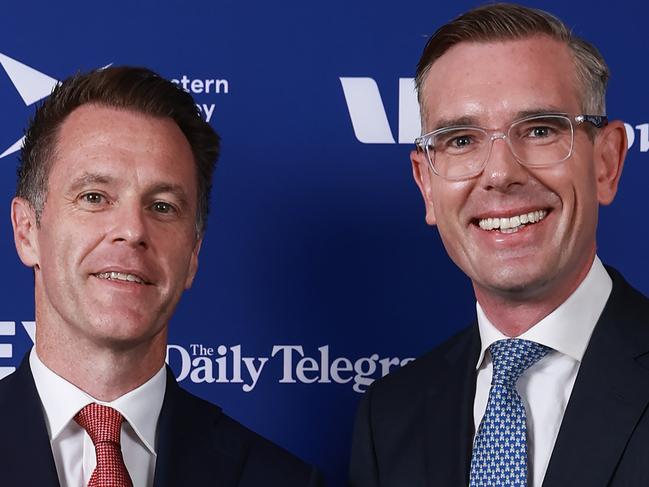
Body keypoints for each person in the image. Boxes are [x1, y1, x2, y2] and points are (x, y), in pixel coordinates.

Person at [349, 3, 649, 487]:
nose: (500, 174)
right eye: (461, 140)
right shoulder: (390, 417)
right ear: (426, 184)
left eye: (540, 130)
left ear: (606, 163)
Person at [1, 66, 323, 487]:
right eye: (94, 197)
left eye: (163, 206)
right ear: (27, 232)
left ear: (192, 253)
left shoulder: (282, 481)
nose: (133, 230)